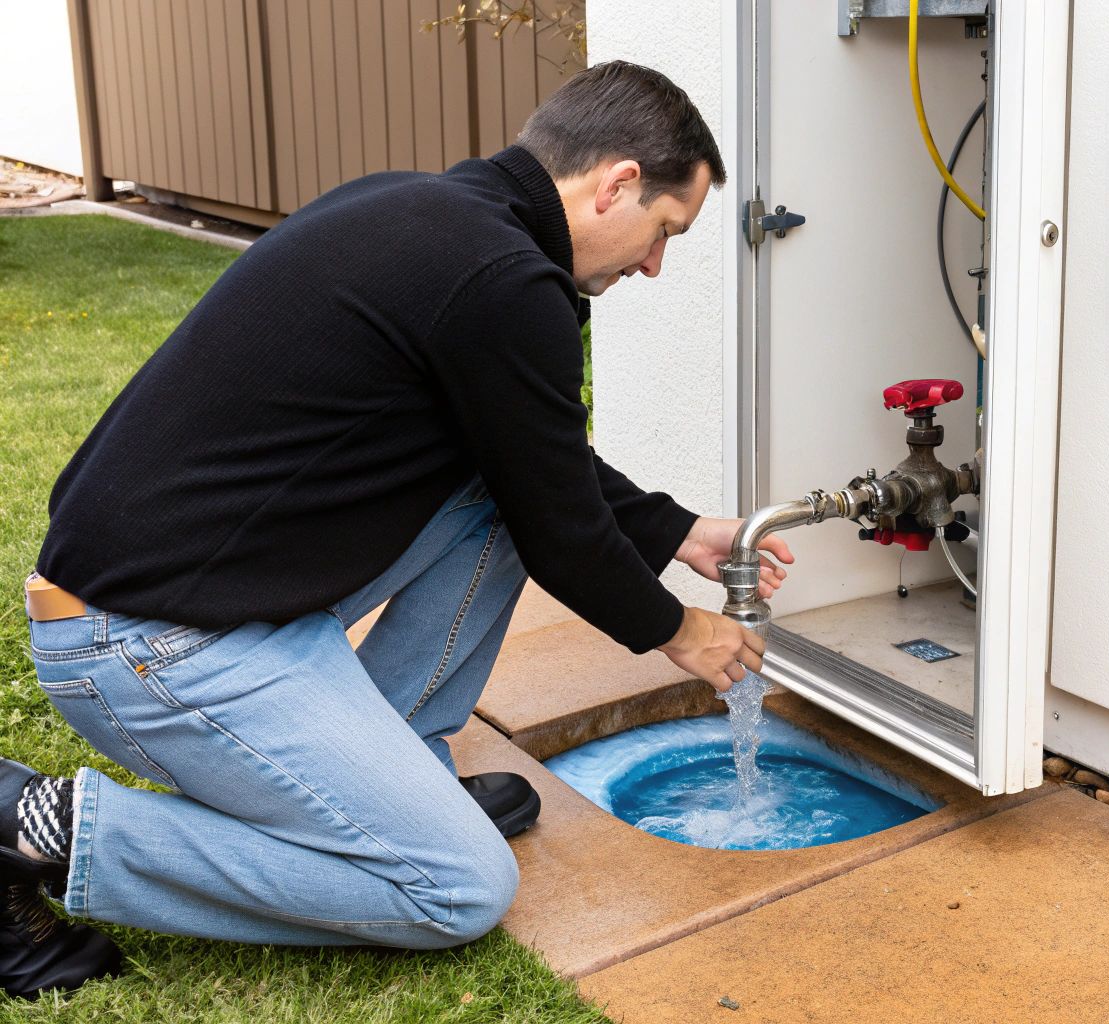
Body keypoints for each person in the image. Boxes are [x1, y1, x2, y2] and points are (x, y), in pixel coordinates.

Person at [1, 60, 792, 1000]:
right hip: (149, 644)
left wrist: (677, 530)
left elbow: (528, 459)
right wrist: (681, 631)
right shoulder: (504, 280)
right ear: (617, 183)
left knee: (489, 495)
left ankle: (397, 778)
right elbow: (564, 530)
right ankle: (34, 823)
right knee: (458, 887)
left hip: (202, 594)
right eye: (664, 232)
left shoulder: (427, 213)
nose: (655, 265)